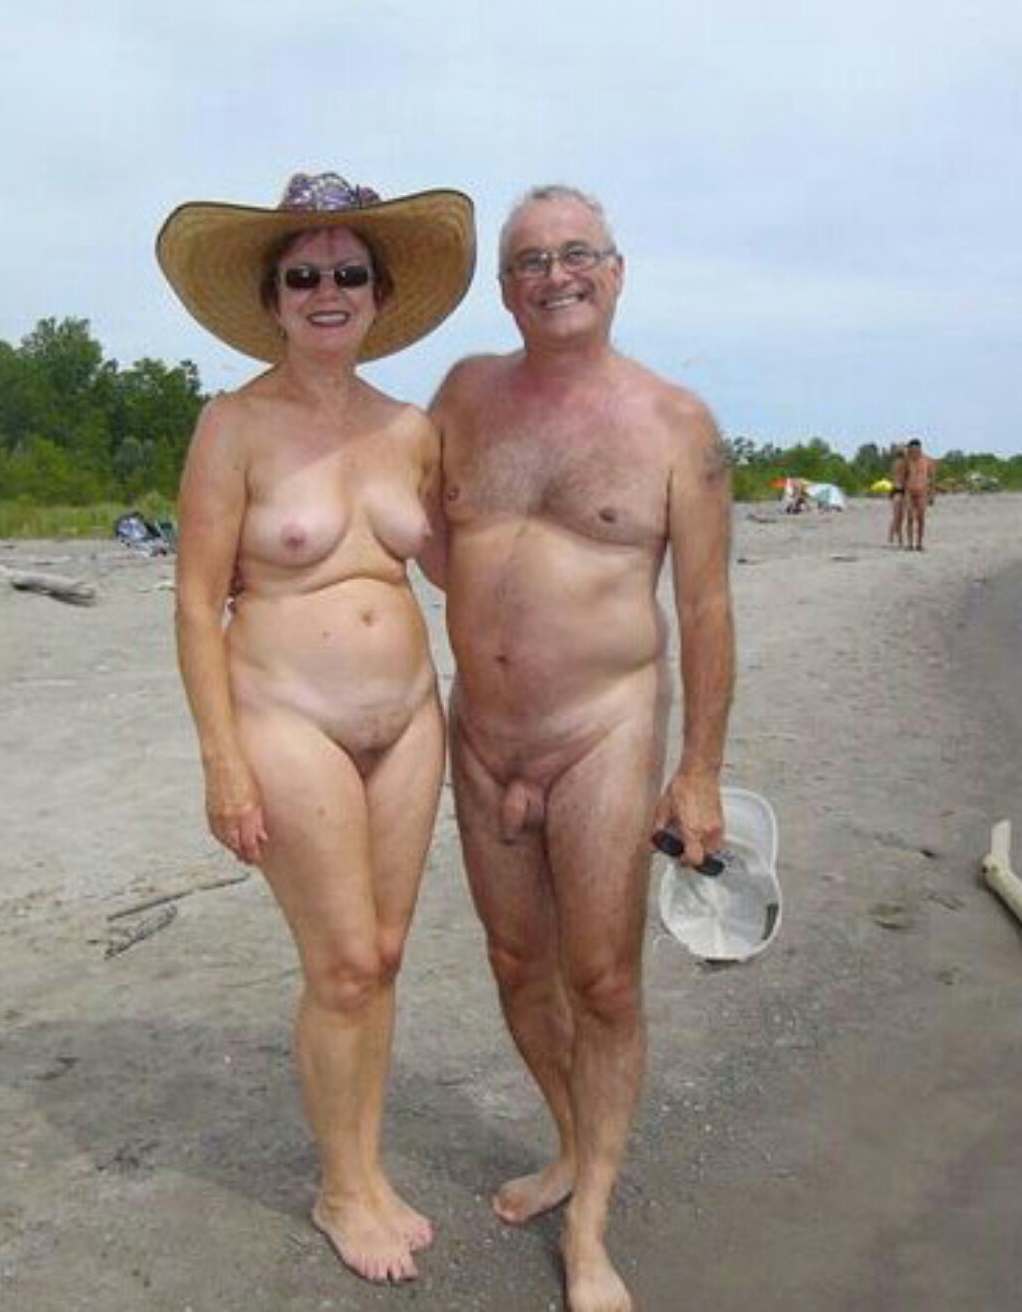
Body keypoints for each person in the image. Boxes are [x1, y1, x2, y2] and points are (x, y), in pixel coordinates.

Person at [158, 172, 475, 1284]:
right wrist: (223, 764)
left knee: (381, 956)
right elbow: (196, 601)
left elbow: (456, 569)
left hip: (410, 722)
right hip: (287, 718)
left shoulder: (413, 430)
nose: (326, 291)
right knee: (340, 961)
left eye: (348, 272)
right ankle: (340, 1188)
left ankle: (369, 1168)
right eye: (303, 276)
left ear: (379, 294)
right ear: (274, 299)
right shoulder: (233, 426)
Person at [429, 184, 734, 1312]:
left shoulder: (677, 424)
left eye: (576, 254)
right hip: (482, 733)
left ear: (616, 271)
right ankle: (568, 1140)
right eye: (529, 261)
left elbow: (705, 610)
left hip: (605, 728)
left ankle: (592, 1221)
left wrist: (698, 770)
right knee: (517, 963)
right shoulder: (464, 394)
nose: (554, 275)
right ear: (505, 291)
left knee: (602, 977)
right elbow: (412, 521)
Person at [903, 437, 936, 550]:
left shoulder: (928, 461)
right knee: (910, 518)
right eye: (909, 449)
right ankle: (910, 544)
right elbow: (904, 477)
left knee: (921, 518)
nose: (911, 451)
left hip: (922, 492)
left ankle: (919, 543)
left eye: (913, 449)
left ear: (919, 448)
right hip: (909, 492)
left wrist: (932, 495)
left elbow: (932, 479)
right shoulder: (907, 461)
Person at [888, 445, 906, 546]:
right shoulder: (902, 463)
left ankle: (893, 536)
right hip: (899, 490)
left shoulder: (895, 463)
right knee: (899, 516)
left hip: (896, 490)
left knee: (897, 516)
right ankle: (897, 537)